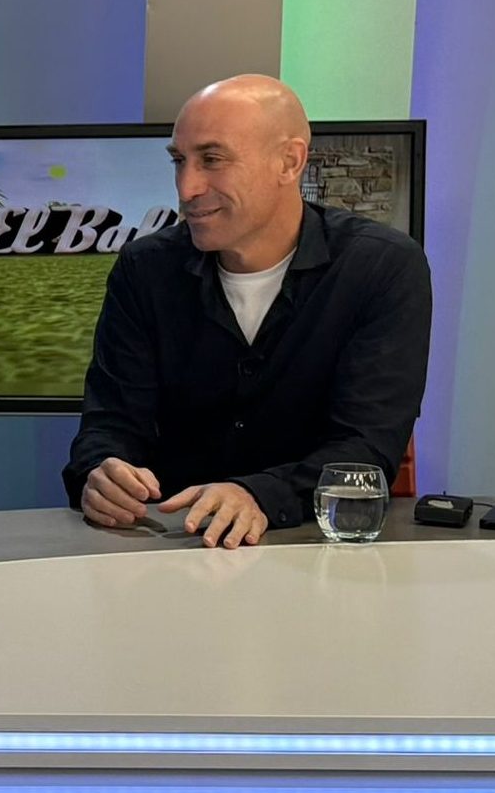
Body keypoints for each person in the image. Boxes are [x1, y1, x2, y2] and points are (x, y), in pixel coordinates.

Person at [63, 74, 431, 549]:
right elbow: (109, 425)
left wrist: (256, 493)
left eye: (212, 160)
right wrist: (101, 472)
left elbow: (364, 449)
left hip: (315, 549)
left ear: (289, 161)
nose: (187, 187)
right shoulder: (144, 269)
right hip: (174, 547)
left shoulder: (381, 267)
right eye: (179, 161)